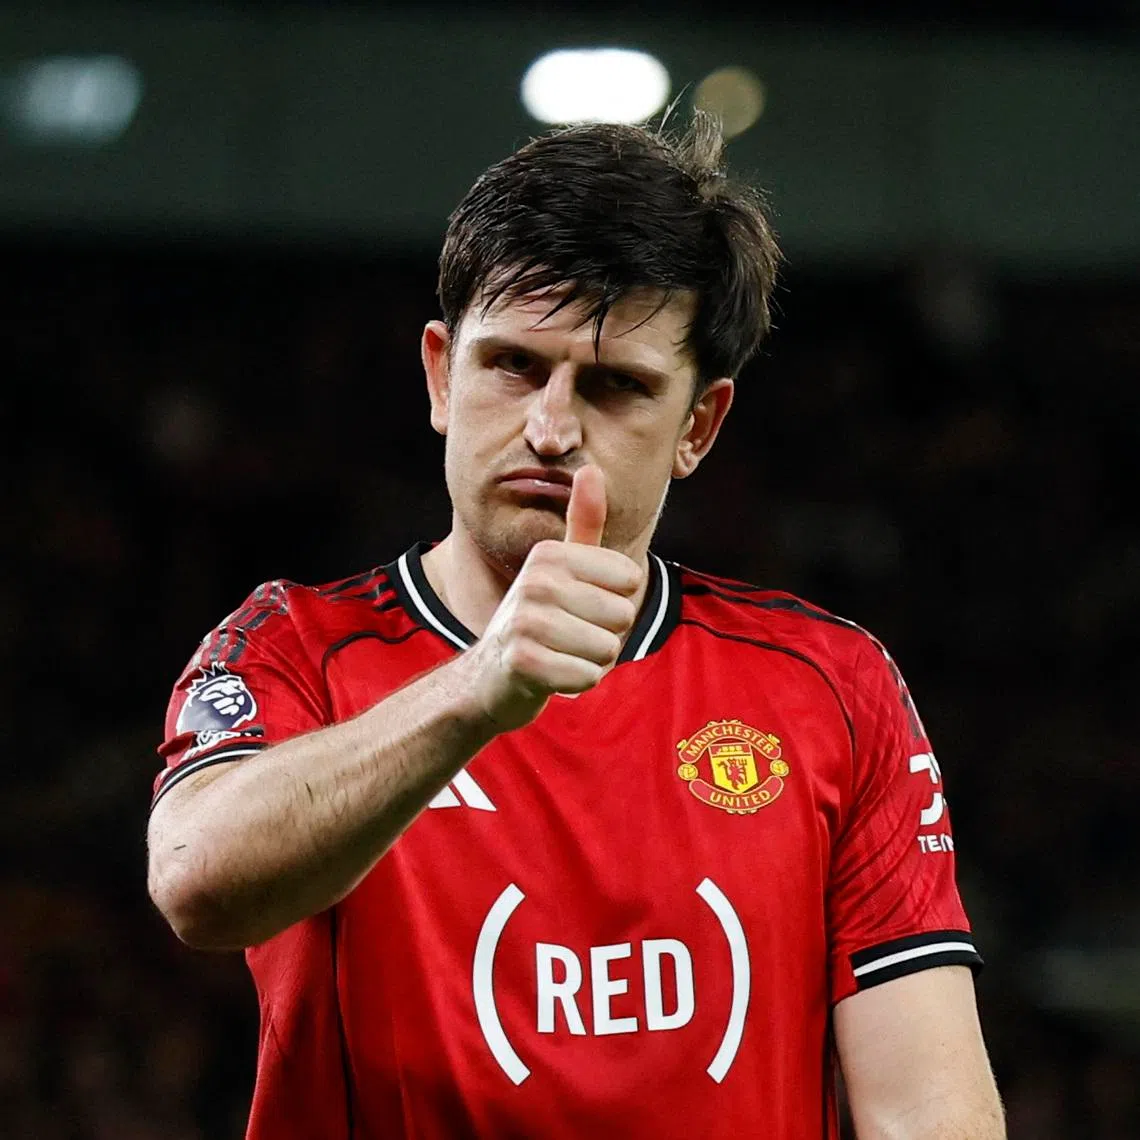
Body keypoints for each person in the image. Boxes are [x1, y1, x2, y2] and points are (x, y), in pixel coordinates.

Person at [147, 113, 1005, 1139]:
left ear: (699, 425)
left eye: (614, 385)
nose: (551, 428)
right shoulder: (293, 648)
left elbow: (929, 1111)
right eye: (513, 365)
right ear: (438, 375)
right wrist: (478, 688)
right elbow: (198, 882)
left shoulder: (831, 686)